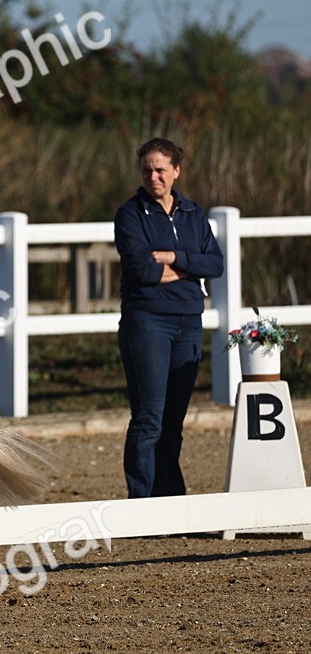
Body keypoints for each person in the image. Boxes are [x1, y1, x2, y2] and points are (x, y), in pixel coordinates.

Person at [114, 137, 223, 498]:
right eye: (147, 169)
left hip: (188, 322)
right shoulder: (130, 215)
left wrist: (173, 258)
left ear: (176, 170)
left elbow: (216, 264)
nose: (153, 176)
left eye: (160, 169)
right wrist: (190, 268)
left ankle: (171, 500)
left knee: (173, 422)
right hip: (147, 322)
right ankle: (141, 503)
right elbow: (143, 271)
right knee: (149, 417)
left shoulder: (193, 213)